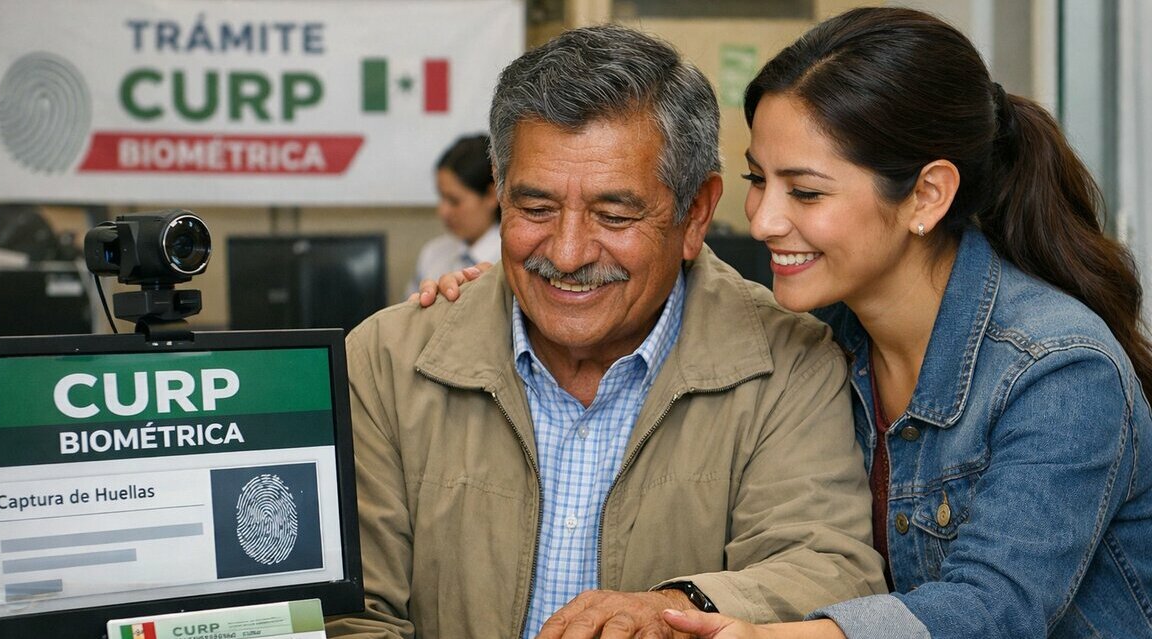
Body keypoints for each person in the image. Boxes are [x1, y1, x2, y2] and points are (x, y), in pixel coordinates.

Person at [418, 8, 1152, 639]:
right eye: (758, 180)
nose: (764, 219)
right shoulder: (826, 327)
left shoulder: (1060, 369)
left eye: (804, 192)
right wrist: (523, 284)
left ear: (927, 195)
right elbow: (672, 275)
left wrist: (771, 633)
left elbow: (994, 610)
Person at [325, 24, 885, 639]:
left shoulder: (788, 364)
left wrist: (679, 607)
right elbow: (345, 611)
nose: (567, 254)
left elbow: (826, 570)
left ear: (696, 213)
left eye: (614, 216)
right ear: (500, 192)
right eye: (535, 209)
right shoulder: (386, 361)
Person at [405, 133, 502, 298]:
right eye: (441, 197)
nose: (443, 211)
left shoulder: (511, 261)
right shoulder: (433, 254)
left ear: (491, 195)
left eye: (454, 201)